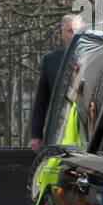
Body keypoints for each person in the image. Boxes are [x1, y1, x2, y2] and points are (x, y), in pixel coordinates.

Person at [29, 13, 85, 153]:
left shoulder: (95, 56)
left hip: (87, 125)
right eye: (70, 31)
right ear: (62, 35)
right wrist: (36, 135)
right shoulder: (51, 60)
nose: (74, 35)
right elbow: (42, 100)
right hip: (61, 126)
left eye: (78, 31)